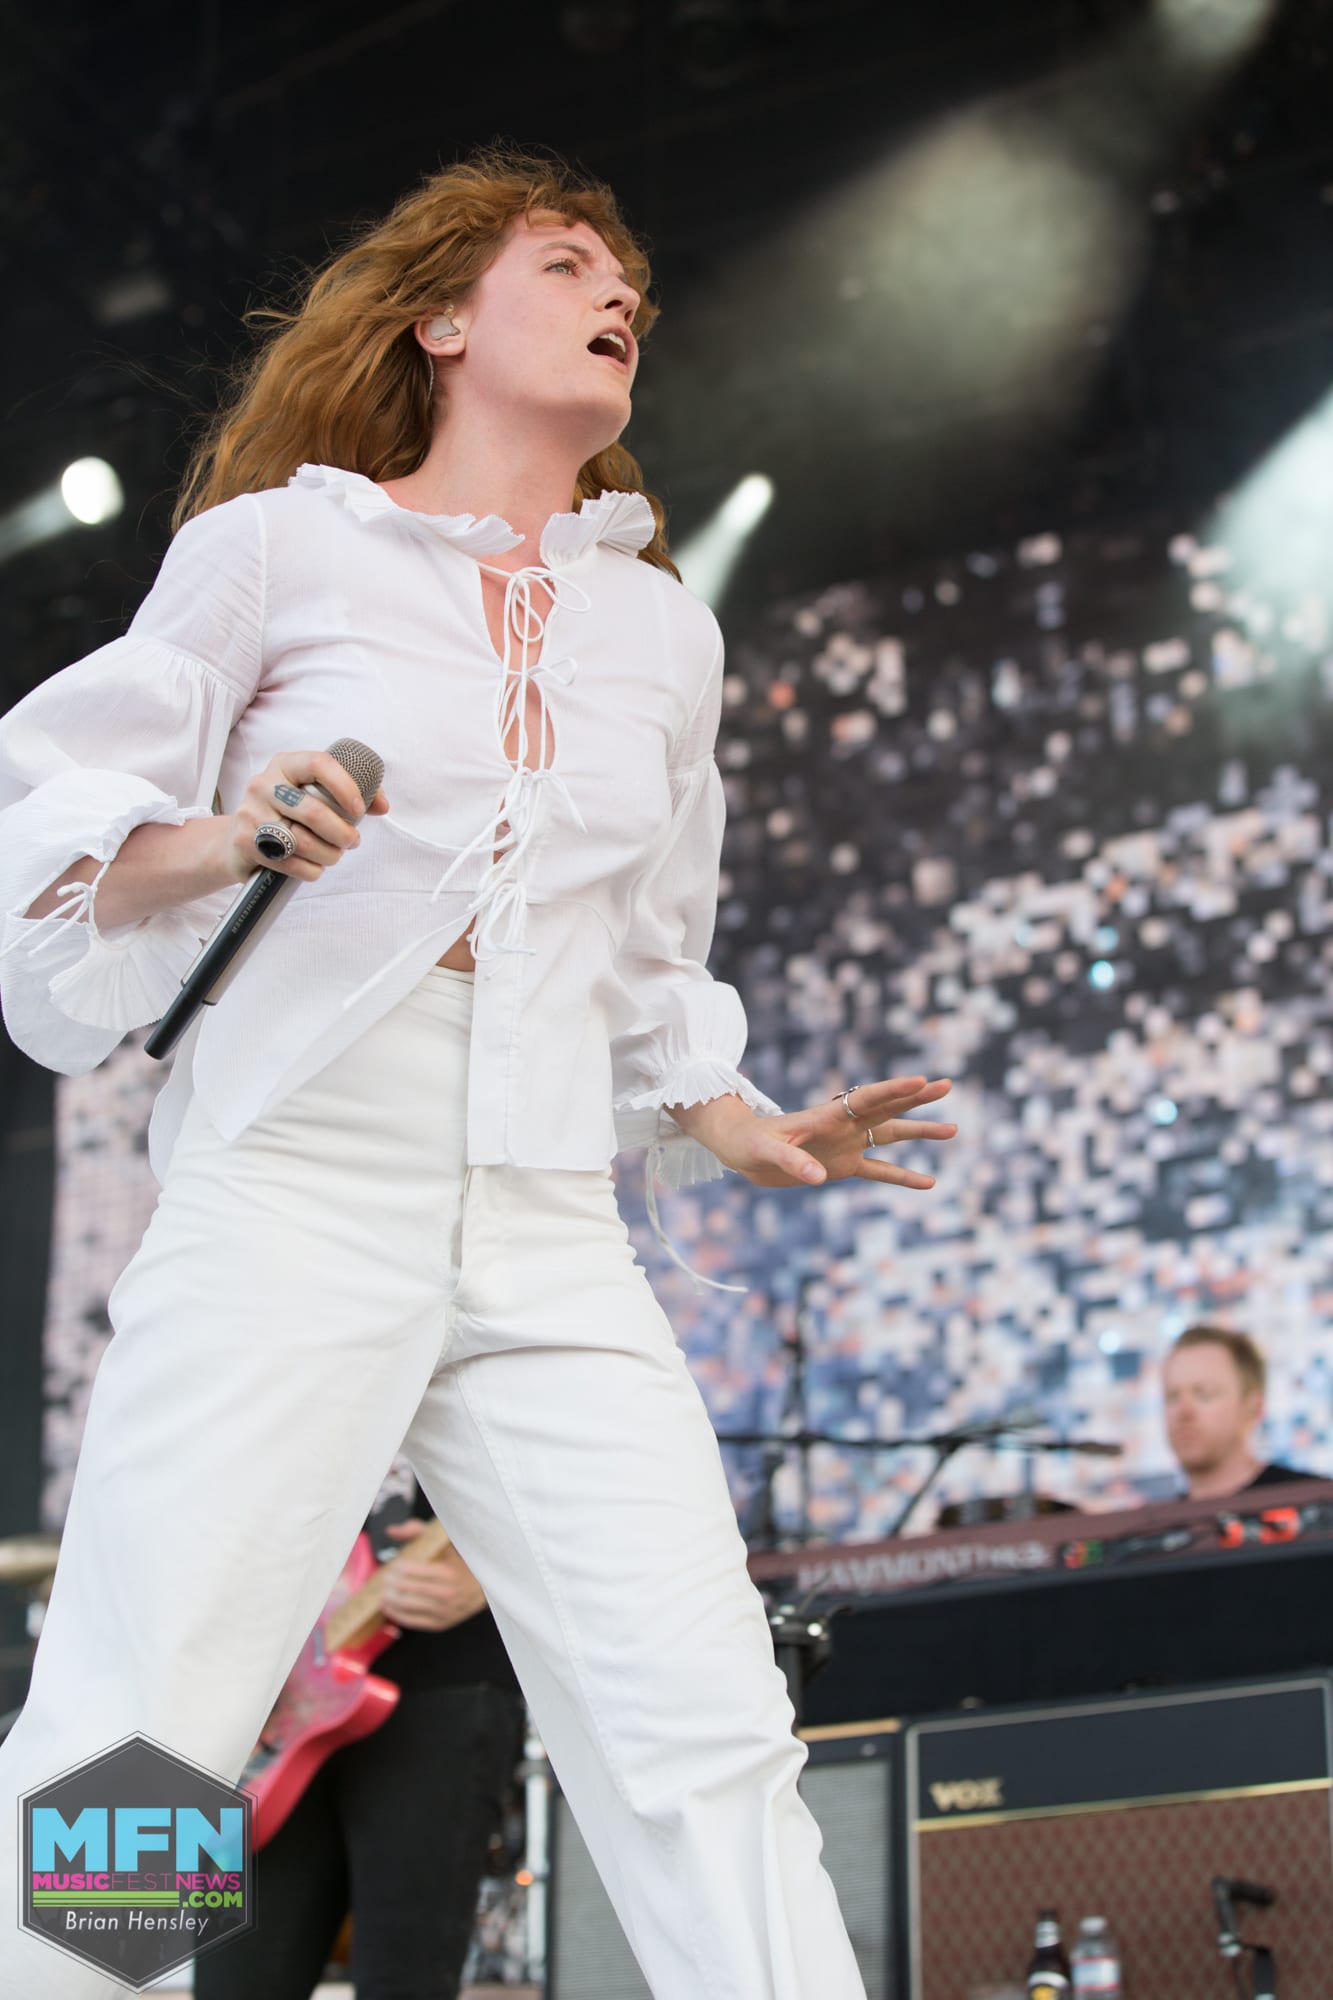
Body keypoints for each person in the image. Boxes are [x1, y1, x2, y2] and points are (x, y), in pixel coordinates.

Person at [0, 144, 956, 1998]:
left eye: (627, 282)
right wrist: (235, 834)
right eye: (566, 262)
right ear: (440, 319)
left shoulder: (659, 630)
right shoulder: (277, 548)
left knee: (701, 1720)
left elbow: (650, 948)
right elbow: (60, 832)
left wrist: (735, 1122)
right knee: (152, 1713)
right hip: (299, 1176)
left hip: (543, 1209)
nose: (619, 295)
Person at [193, 1468, 524, 2000]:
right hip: (270, 1697)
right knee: (233, 1981)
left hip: (441, 1680)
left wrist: (494, 1570)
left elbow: (593, 1477)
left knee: (403, 1980)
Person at [1163, 1324, 1320, 1500]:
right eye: (1172, 1396)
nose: (1183, 1411)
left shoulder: (1317, 1501)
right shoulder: (1156, 1517)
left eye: (1204, 1394)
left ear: (1254, 1408)